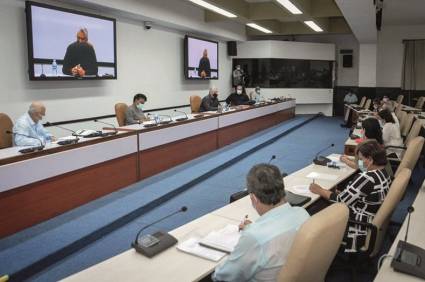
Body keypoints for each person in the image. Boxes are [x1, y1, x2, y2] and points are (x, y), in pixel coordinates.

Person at [212, 164, 310, 281]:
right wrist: (253, 229)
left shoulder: (254, 237)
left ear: (254, 198)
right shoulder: (302, 213)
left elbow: (223, 277)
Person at [310, 140, 391, 253]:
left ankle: (317, 247)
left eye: (361, 159)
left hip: (358, 223)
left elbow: (340, 200)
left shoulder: (367, 178)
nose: (360, 163)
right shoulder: (383, 172)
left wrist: (319, 190)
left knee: (315, 208)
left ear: (371, 159)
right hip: (370, 214)